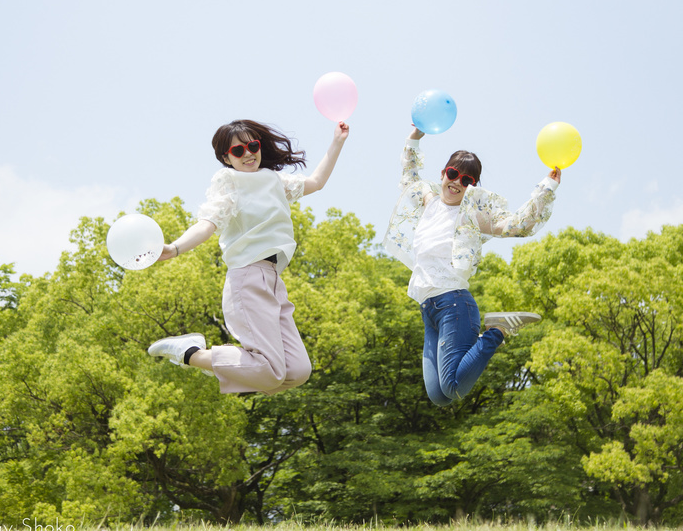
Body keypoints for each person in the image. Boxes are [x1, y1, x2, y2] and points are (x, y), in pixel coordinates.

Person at [148, 119, 349, 395]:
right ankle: (190, 353)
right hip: (247, 278)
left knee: (298, 371)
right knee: (271, 372)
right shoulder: (229, 182)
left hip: (274, 279)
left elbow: (316, 182)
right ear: (226, 158)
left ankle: (228, 366)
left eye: (252, 146)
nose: (248, 154)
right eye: (238, 151)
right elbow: (208, 223)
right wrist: (174, 248)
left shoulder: (273, 180)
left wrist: (337, 141)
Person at [383, 126, 561, 406]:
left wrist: (547, 187)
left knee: (453, 387)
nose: (456, 182)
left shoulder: (473, 218)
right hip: (428, 309)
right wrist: (414, 138)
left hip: (454, 304)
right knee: (439, 396)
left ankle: (497, 331)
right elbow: (410, 177)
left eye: (466, 180)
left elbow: (519, 225)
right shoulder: (427, 202)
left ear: (472, 187)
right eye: (453, 174)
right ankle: (491, 333)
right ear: (443, 173)